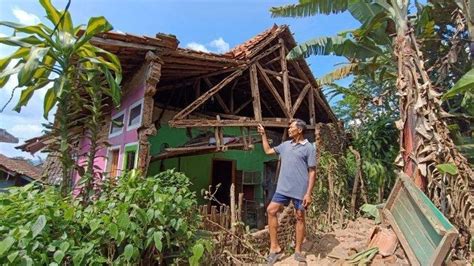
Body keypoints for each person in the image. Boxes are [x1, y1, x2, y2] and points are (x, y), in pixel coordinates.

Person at [257, 119, 316, 265]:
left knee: (300, 216)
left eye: (291, 127)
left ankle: (297, 250)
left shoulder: (309, 148)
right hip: (283, 188)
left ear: (300, 130)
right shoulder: (285, 145)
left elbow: (312, 171)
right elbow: (268, 151)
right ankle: (274, 247)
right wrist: (263, 135)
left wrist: (308, 193)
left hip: (300, 189)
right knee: (271, 210)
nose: (289, 130)